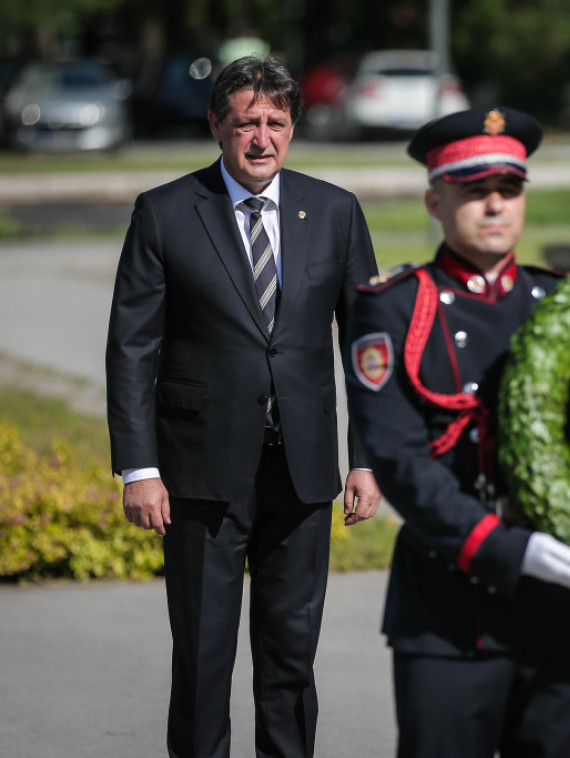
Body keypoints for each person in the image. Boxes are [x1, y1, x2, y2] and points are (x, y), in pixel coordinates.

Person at [105, 55, 381, 758]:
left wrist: (367, 461)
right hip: (199, 476)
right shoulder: (165, 213)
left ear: (293, 128)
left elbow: (365, 350)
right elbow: (132, 350)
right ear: (217, 127)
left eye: (276, 124)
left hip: (304, 473)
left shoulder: (336, 211)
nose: (262, 139)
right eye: (246, 124)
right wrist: (139, 469)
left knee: (290, 660)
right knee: (202, 658)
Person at [343, 107, 570, 758]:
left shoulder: (564, 303)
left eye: (509, 190)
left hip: (560, 601)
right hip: (448, 612)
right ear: (437, 200)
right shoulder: (396, 306)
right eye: (473, 190)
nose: (494, 205)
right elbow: (399, 457)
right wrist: (502, 548)